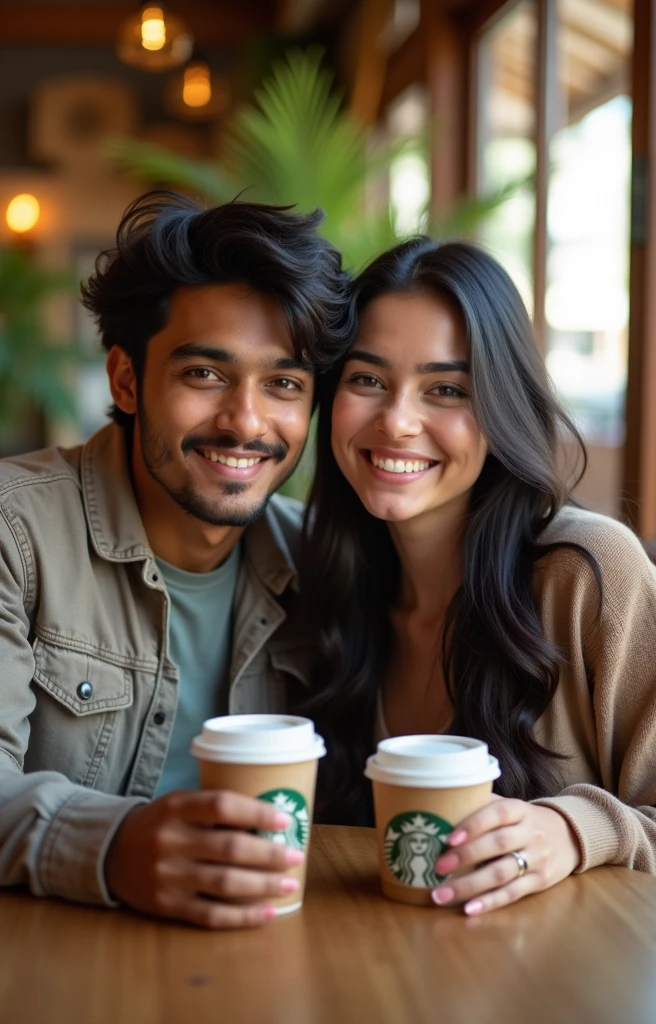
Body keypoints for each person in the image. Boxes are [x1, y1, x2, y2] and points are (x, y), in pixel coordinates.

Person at [302, 237, 656, 915]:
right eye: (367, 380)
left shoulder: (586, 575)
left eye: (446, 388)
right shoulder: (323, 582)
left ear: (502, 407)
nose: (397, 420)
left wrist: (576, 831)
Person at [0, 190, 352, 928]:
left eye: (284, 383)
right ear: (126, 380)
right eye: (205, 374)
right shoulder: (15, 531)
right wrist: (114, 845)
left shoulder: (321, 565)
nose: (246, 421)